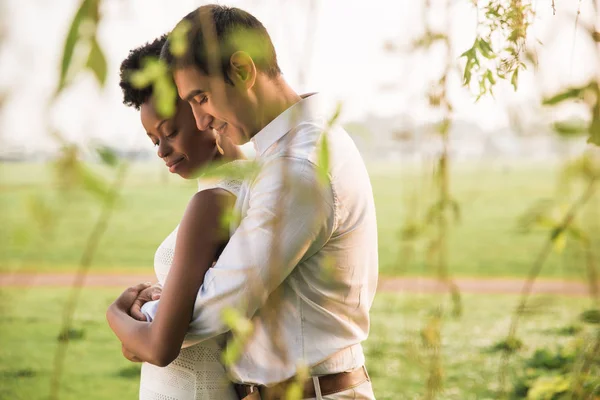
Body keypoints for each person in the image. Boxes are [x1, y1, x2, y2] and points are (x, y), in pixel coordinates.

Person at [108, 5, 378, 399]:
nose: (201, 120)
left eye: (201, 98)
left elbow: (219, 304)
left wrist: (131, 317)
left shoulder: (297, 169)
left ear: (242, 70)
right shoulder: (285, 153)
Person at [111, 34, 244, 399]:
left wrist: (116, 314)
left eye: (169, 132)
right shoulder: (242, 185)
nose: (162, 151)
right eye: (154, 141)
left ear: (203, 108)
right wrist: (153, 308)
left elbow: (159, 348)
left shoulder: (214, 202)